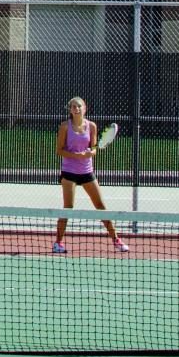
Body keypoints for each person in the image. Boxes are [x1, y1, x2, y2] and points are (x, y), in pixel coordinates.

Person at [53, 96, 127, 254]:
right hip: (69, 172)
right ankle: (58, 243)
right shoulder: (65, 127)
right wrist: (76, 156)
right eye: (73, 106)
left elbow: (93, 148)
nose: (76, 109)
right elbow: (59, 150)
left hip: (87, 171)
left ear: (84, 108)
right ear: (70, 110)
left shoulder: (91, 126)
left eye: (79, 106)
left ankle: (116, 240)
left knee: (101, 207)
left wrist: (90, 153)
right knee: (68, 208)